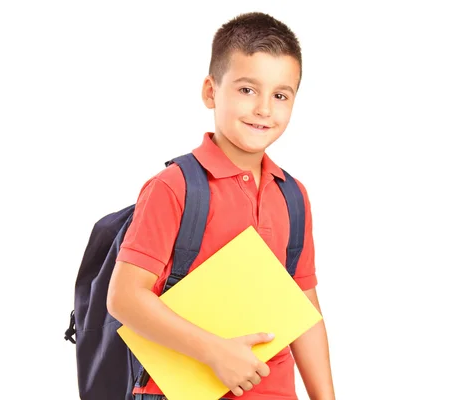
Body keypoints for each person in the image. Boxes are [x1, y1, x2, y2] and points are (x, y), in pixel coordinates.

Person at [107, 11, 335, 400]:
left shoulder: (293, 196)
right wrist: (216, 353)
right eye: (247, 90)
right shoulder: (175, 187)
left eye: (280, 95)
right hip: (175, 392)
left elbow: (305, 312)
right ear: (211, 91)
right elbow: (124, 298)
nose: (264, 108)